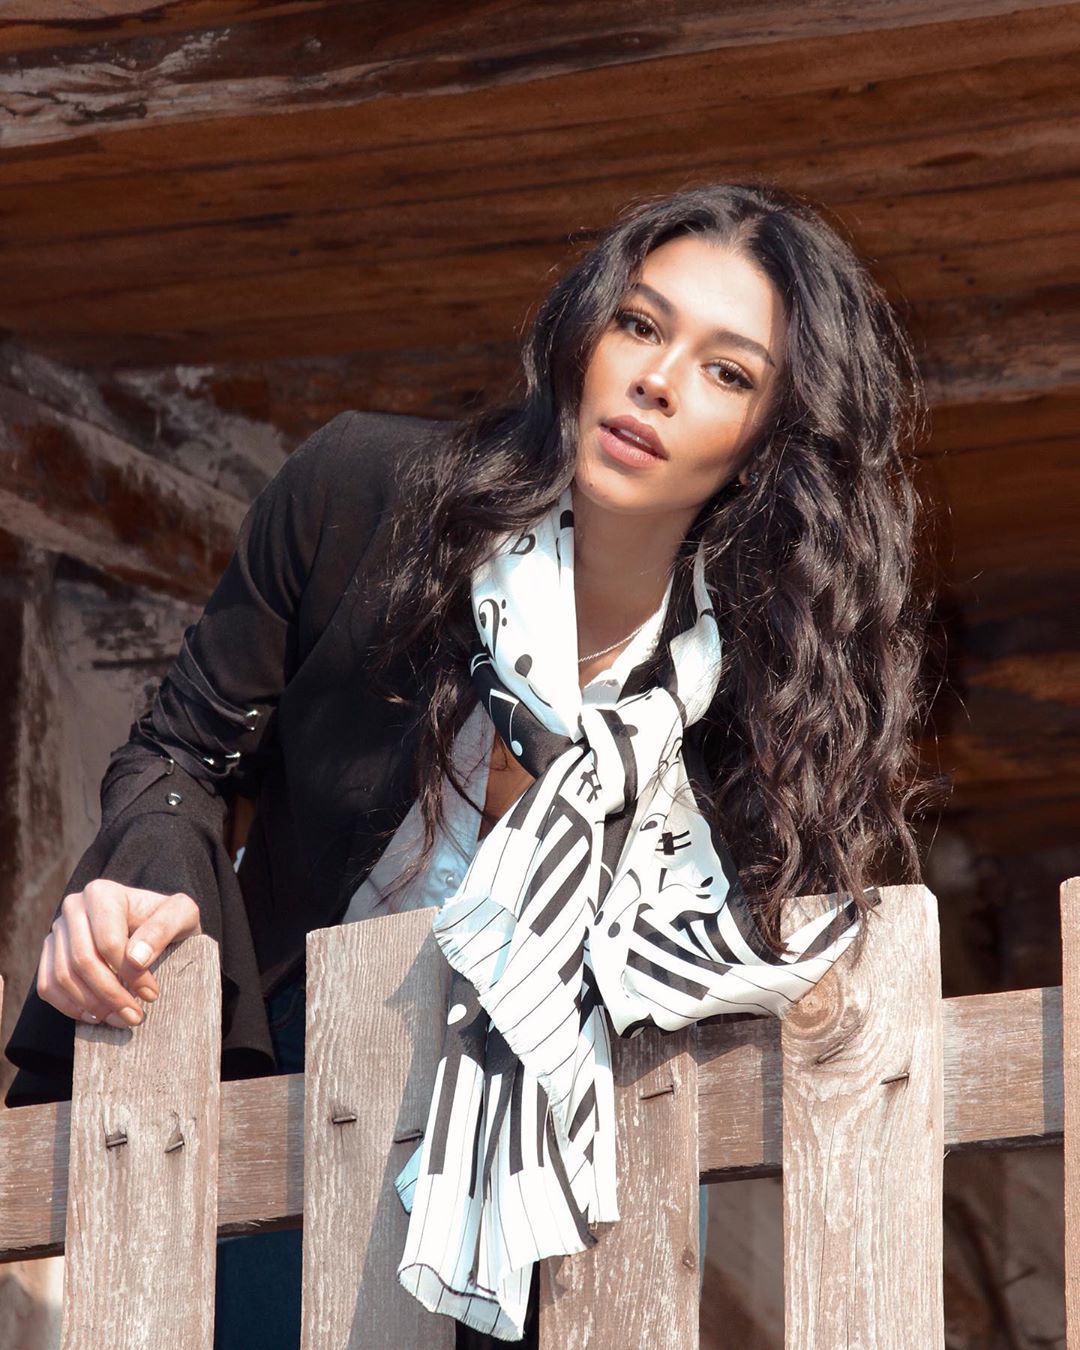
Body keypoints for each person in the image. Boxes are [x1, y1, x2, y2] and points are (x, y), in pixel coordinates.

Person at [3, 181, 929, 1346]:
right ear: (587, 332)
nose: (657, 379)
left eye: (727, 372)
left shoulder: (765, 675)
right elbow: (180, 751)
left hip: (584, 1128)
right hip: (302, 1080)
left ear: (772, 441)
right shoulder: (366, 499)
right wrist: (142, 878)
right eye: (639, 324)